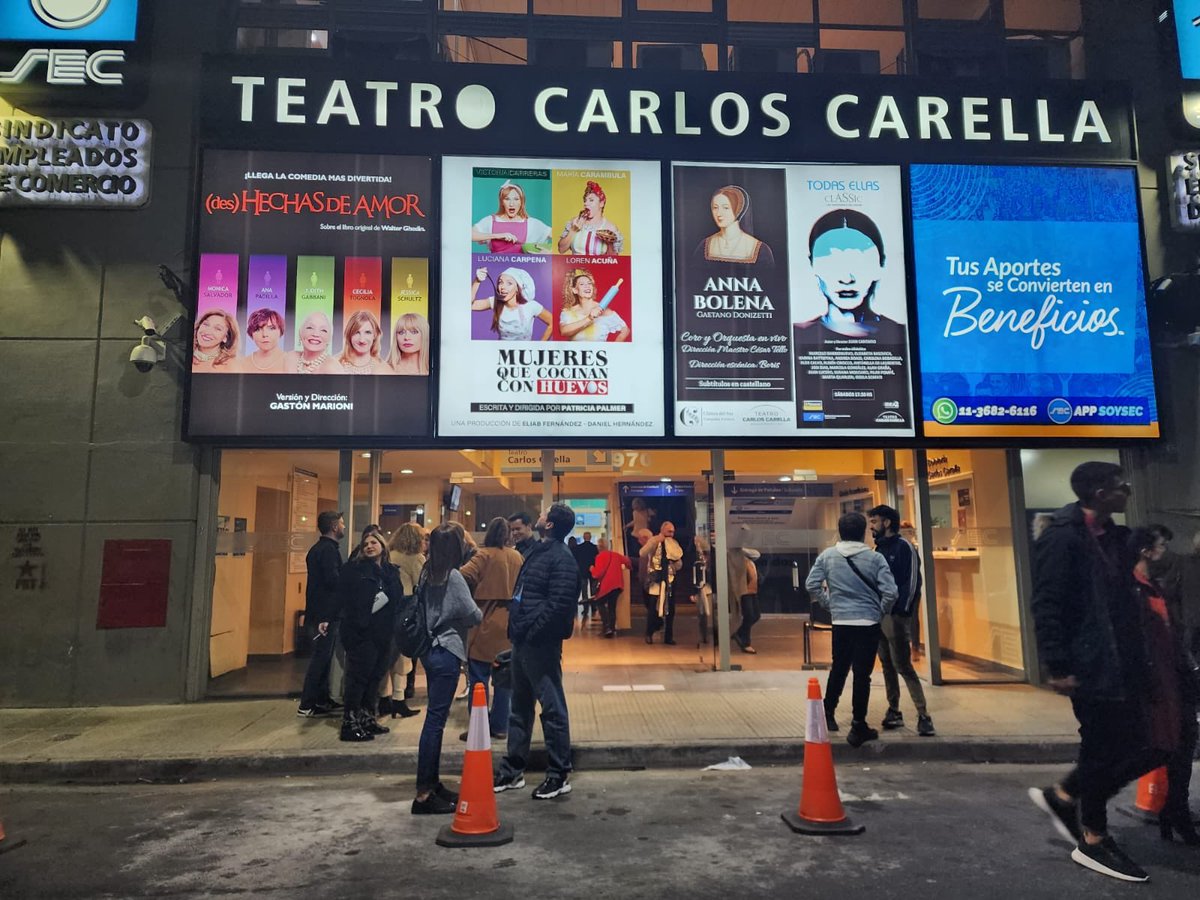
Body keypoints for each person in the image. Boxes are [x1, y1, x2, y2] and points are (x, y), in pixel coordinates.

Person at [1027, 462, 1165, 882]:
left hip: (1123, 660)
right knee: (1106, 745)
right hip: (1089, 662)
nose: (1128, 491)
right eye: (1121, 486)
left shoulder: (1119, 538)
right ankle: (1092, 834)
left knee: (1141, 743)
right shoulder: (1064, 537)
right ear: (1100, 493)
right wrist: (1059, 664)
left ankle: (1066, 796)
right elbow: (1047, 603)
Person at [493, 502, 580, 800]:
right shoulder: (538, 552)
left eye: (543, 515)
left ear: (551, 524)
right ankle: (512, 769)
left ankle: (558, 774)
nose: (538, 517)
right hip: (523, 642)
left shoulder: (561, 559)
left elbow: (559, 606)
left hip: (540, 645)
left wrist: (531, 631)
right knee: (519, 708)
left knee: (552, 707)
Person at [1131, 526, 1200, 847]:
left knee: (1184, 742)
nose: (1164, 551)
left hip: (1180, 673)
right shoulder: (1143, 583)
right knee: (1169, 743)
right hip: (1167, 677)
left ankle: (1175, 810)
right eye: (1160, 546)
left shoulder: (1167, 578)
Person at [805, 512, 897, 748]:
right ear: (863, 532)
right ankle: (858, 725)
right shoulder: (875, 559)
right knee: (862, 675)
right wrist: (878, 611)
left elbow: (811, 584)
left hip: (841, 622)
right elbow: (891, 592)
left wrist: (830, 604)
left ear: (840, 531)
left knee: (839, 668)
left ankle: (828, 713)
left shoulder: (828, 556)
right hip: (867, 623)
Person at [867, 504, 935, 737]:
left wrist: (903, 610)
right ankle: (894, 709)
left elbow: (914, 581)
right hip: (879, 614)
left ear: (886, 522)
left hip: (895, 615)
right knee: (886, 663)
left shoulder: (904, 547)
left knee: (903, 665)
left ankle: (923, 715)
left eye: (874, 521)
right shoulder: (878, 551)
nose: (871, 527)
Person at [459, 517, 525, 741]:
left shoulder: (484, 555)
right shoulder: (517, 556)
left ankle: (479, 727)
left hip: (484, 619)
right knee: (504, 679)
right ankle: (500, 726)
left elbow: (462, 574)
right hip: (508, 622)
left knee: (479, 678)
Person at [336, 529, 403, 742]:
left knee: (375, 677)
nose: (369, 546)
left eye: (374, 542)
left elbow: (397, 598)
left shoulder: (390, 571)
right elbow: (346, 600)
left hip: (383, 633)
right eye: (366, 544)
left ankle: (367, 717)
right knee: (358, 678)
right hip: (361, 633)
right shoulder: (355, 570)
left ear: (383, 546)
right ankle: (350, 721)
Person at [796, 209, 901, 341]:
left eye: (858, 264)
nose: (846, 279)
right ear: (812, 266)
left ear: (880, 265)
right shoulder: (798, 335)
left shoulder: (899, 334)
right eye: (833, 265)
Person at [297, 511, 346, 717]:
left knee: (323, 658)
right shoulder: (328, 551)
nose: (344, 526)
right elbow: (332, 583)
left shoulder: (318, 549)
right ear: (334, 527)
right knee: (320, 658)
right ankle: (307, 704)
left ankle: (322, 699)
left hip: (319, 613)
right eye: (342, 523)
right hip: (324, 615)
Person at [379, 523, 425, 719]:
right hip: (405, 610)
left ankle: (383, 699)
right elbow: (420, 585)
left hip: (385, 610)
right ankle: (399, 700)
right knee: (402, 660)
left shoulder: (388, 555)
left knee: (385, 657)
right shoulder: (416, 559)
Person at [693, 185, 774, 266]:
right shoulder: (705, 245)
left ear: (737, 209)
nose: (718, 214)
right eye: (715, 207)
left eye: (726, 208)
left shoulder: (761, 249)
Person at [471, 266, 552, 342]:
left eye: (509, 283)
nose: (502, 287)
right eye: (500, 282)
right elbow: (470, 305)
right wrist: (477, 281)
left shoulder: (531, 306)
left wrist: (540, 346)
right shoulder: (495, 301)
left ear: (518, 287)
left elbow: (552, 322)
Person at [472, 181, 553, 254]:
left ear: (522, 202)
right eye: (507, 199)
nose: (511, 204)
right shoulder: (490, 221)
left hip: (523, 269)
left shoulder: (531, 223)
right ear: (502, 202)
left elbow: (558, 237)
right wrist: (497, 236)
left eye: (516, 199)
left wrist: (550, 252)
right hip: (495, 268)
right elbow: (469, 235)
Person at [558, 268, 629, 343]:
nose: (587, 286)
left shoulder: (605, 312)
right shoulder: (568, 312)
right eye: (582, 284)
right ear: (575, 290)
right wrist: (589, 318)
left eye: (589, 283)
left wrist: (612, 350)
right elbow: (564, 331)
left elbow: (625, 330)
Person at [641, 522, 683, 645]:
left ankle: (668, 636)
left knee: (671, 608)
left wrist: (675, 565)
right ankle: (649, 633)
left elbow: (679, 562)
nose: (672, 534)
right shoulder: (654, 541)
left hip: (670, 578)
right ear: (663, 530)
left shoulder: (673, 544)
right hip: (656, 578)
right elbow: (643, 552)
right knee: (653, 607)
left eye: (673, 532)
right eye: (669, 531)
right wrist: (655, 541)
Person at [557, 180, 623, 256]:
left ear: (601, 203)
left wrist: (610, 243)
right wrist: (573, 230)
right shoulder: (575, 222)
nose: (585, 203)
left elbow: (613, 261)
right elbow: (561, 249)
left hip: (598, 267)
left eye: (591, 200)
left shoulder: (610, 228)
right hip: (575, 267)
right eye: (585, 200)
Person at [591, 537, 630, 639]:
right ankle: (611, 629)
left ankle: (606, 627)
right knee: (612, 607)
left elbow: (597, 574)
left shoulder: (599, 557)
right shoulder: (615, 555)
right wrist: (629, 567)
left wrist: (592, 569)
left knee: (600, 603)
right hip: (617, 585)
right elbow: (627, 561)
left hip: (606, 585)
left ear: (599, 547)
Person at [323, 310, 384, 375]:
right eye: (356, 332)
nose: (362, 340)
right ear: (349, 334)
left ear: (375, 335)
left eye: (367, 332)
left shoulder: (383, 367)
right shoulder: (334, 364)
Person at [237, 308, 287, 374]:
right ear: (251, 333)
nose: (264, 334)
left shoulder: (290, 361)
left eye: (271, 328)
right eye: (258, 329)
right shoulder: (242, 363)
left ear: (280, 331)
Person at [733, 547, 761, 654]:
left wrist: (740, 548)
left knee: (756, 615)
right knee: (749, 616)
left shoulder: (749, 560)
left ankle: (739, 633)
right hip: (745, 591)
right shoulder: (737, 560)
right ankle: (746, 643)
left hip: (753, 591)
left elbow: (756, 554)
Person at [574, 531, 601, 621]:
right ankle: (594, 607)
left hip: (582, 571)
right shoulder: (594, 548)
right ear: (590, 537)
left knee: (584, 590)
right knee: (593, 590)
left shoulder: (579, 548)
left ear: (583, 537)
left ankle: (585, 609)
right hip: (592, 570)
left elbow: (576, 560)